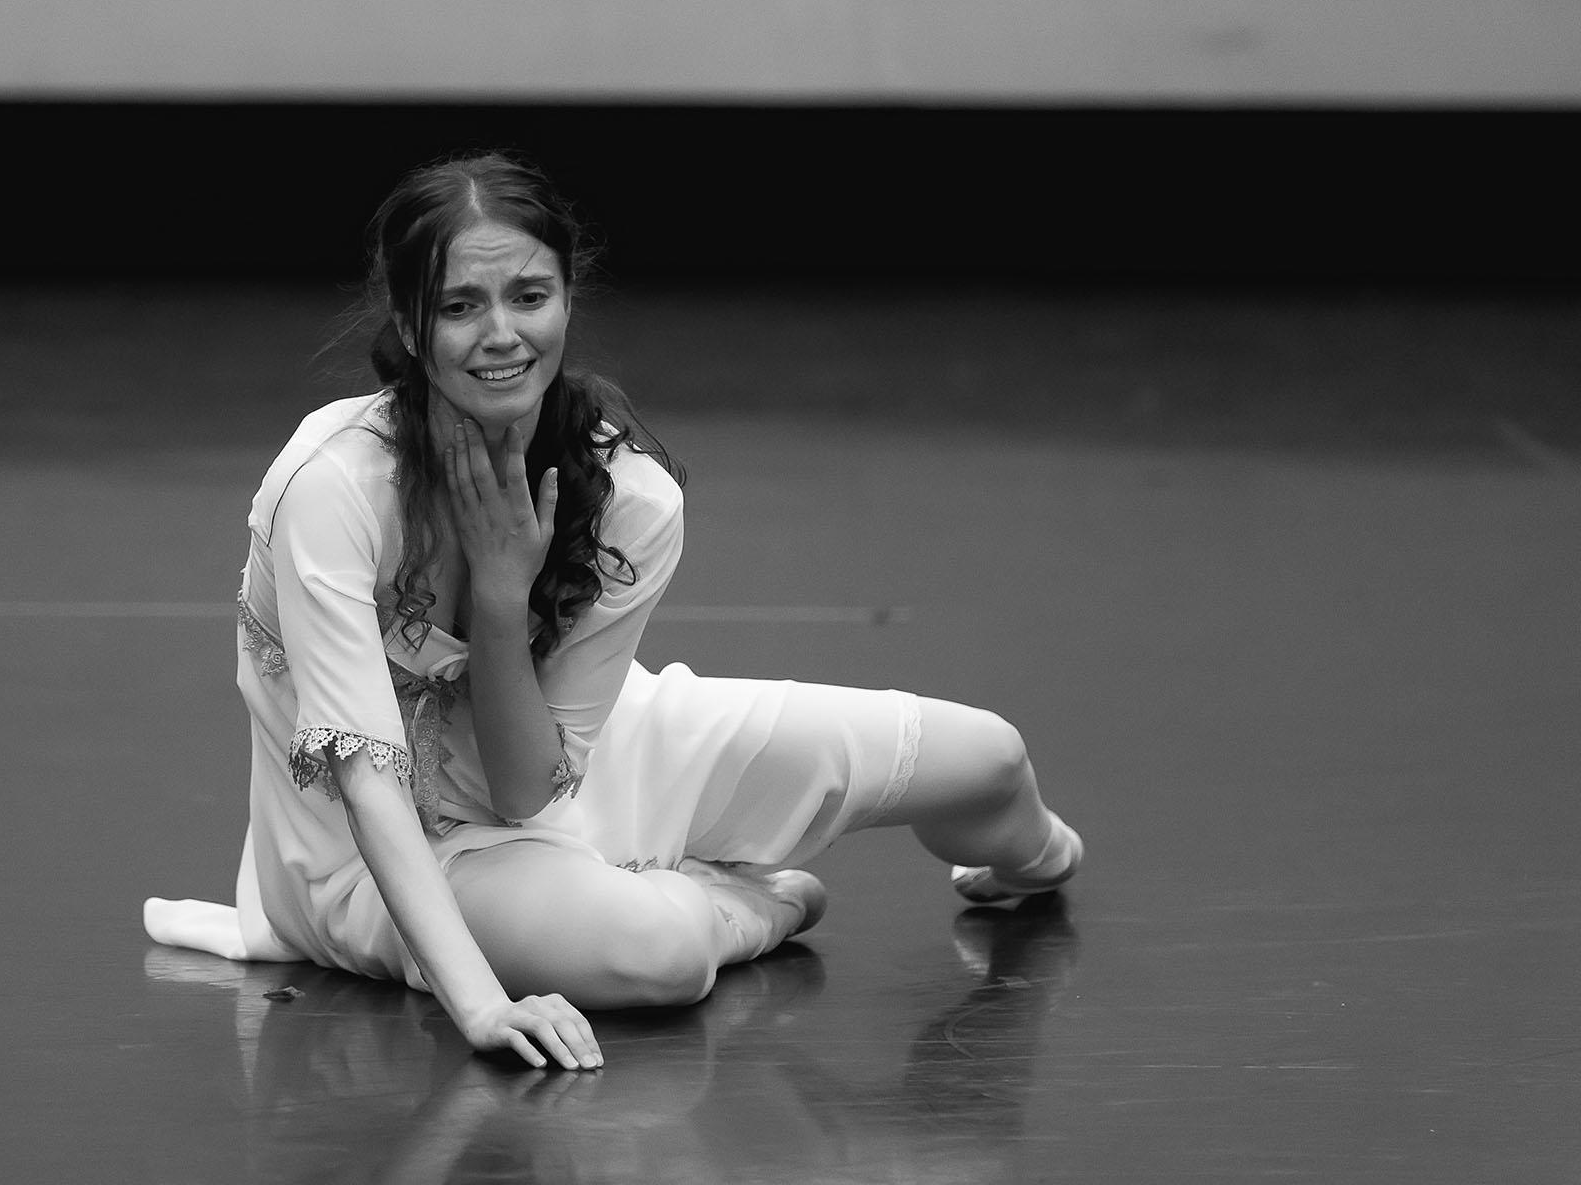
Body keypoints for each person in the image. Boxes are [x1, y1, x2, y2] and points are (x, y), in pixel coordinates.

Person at [144, 152, 1084, 1071]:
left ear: (566, 299)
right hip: (379, 858)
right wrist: (481, 1005)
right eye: (461, 306)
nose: (501, 334)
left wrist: (504, 598)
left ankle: (1036, 863)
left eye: (528, 296)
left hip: (562, 764)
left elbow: (528, 787)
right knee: (658, 959)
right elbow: (366, 779)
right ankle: (762, 903)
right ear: (408, 318)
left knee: (987, 758)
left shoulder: (630, 494)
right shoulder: (331, 483)